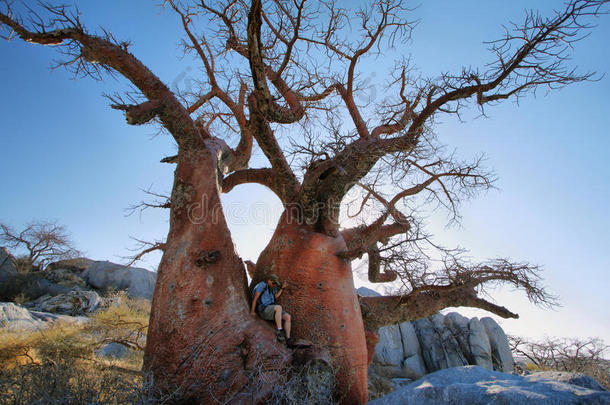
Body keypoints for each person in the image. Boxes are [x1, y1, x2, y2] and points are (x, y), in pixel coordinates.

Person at [251, 274, 292, 343]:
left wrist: (282, 288)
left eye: (275, 283)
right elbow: (255, 299)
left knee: (288, 317)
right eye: (273, 283)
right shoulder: (262, 285)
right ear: (269, 280)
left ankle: (288, 339)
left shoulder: (273, 287)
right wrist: (252, 311)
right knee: (279, 307)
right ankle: (279, 330)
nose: (274, 285)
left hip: (272, 309)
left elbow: (275, 296)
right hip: (263, 309)